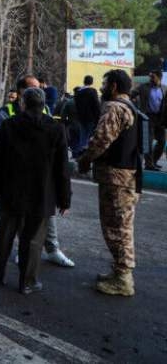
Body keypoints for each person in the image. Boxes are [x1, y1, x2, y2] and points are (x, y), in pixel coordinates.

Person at [0, 87, 71, 295]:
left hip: (11, 192)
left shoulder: (8, 126)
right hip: (41, 196)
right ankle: (27, 282)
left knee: (5, 234)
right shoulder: (56, 129)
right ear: (44, 106)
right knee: (33, 240)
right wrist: (64, 199)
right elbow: (62, 169)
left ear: (23, 104)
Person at [78, 70, 141, 296]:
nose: (102, 88)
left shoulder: (114, 108)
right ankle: (118, 271)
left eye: (105, 84)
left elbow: (101, 140)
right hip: (126, 176)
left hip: (117, 178)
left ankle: (123, 279)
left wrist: (85, 160)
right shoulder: (130, 107)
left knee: (117, 227)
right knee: (120, 224)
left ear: (114, 86)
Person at [133, 70, 167, 170]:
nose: (150, 79)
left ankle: (154, 161)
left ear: (159, 78)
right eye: (150, 77)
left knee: (162, 142)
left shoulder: (164, 89)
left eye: (153, 77)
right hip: (146, 117)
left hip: (160, 118)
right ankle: (149, 164)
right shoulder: (143, 87)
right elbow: (131, 94)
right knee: (147, 141)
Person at [74, 75, 101, 150]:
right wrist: (98, 116)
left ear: (84, 81)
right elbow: (96, 105)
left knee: (82, 136)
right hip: (91, 118)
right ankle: (87, 154)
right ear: (92, 82)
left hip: (80, 118)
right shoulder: (93, 91)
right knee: (90, 137)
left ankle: (80, 152)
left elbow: (76, 105)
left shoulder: (78, 92)